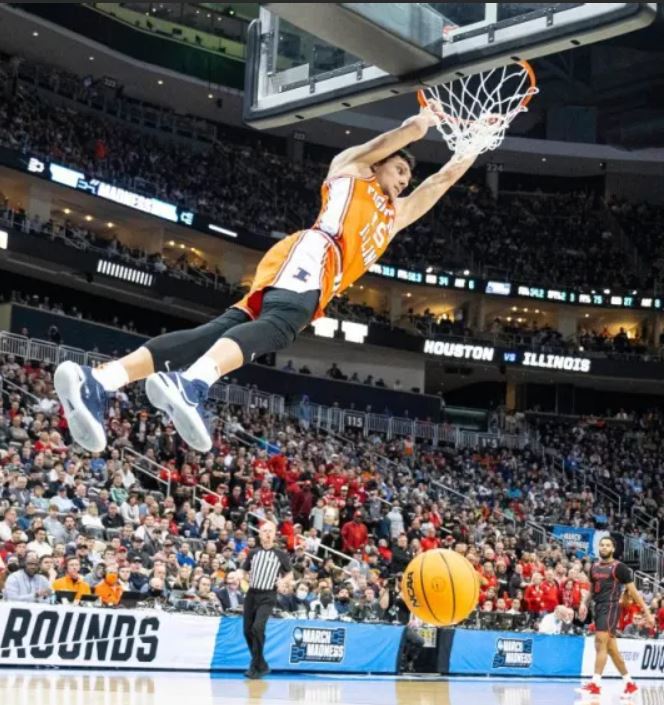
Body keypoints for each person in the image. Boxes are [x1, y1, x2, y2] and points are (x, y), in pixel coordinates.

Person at [53, 106, 476, 453]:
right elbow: (383, 145)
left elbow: (439, 183)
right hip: (315, 251)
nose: (404, 180)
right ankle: (193, 384)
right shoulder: (351, 172)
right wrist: (415, 126)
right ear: (379, 166)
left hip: (313, 270)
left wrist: (474, 145)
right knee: (281, 325)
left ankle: (99, 381)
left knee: (216, 333)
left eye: (407, 176)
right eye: (399, 169)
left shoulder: (394, 217)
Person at [577, 537, 654, 698]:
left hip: (611, 607)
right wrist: (584, 603)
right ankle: (630, 683)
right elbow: (591, 590)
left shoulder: (620, 568)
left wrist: (647, 613)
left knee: (599, 642)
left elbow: (633, 592)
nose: (604, 548)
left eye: (607, 545)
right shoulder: (594, 567)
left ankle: (595, 684)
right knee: (611, 650)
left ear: (612, 549)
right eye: (602, 545)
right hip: (598, 608)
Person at [240, 522, 292, 679]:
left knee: (258, 628)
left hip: (268, 595)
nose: (267, 534)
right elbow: (244, 570)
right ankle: (260, 664)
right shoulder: (253, 553)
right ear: (260, 535)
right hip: (251, 593)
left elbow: (290, 574)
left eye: (270, 531)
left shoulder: (281, 554)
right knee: (247, 630)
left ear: (274, 534)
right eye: (264, 531)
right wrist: (239, 575)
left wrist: (284, 581)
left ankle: (255, 665)